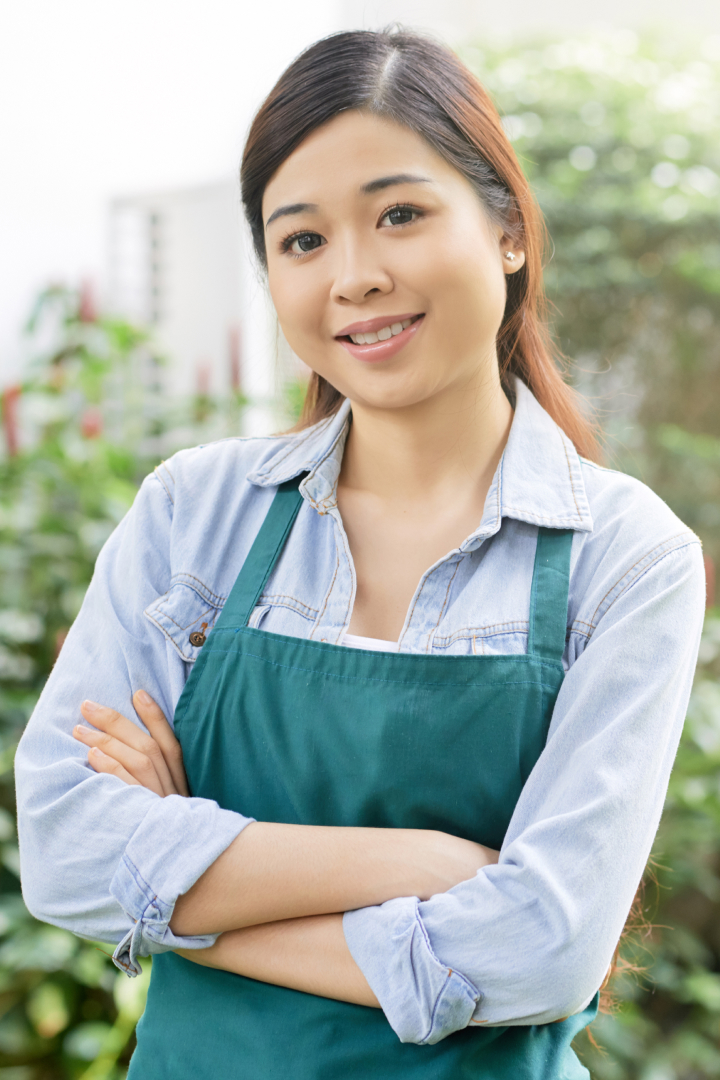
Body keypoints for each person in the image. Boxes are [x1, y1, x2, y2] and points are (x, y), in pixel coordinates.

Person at [16, 28, 705, 1080]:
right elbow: (66, 853)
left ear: (509, 230)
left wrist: (182, 900)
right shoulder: (192, 516)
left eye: (400, 215)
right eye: (302, 241)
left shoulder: (626, 558)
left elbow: (545, 952)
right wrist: (425, 866)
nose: (356, 276)